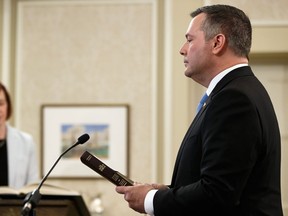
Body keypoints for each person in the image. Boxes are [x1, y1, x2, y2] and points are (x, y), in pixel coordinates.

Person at [116, 4, 283, 216]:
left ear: (217, 43)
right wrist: (170, 192)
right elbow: (225, 183)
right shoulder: (239, 91)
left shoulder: (234, 99)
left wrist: (151, 200)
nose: (182, 49)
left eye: (189, 39)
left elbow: (217, 193)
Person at [0, 82, 38, 189]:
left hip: (16, 205)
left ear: (8, 106)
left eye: (1, 103)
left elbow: (33, 184)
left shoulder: (26, 142)